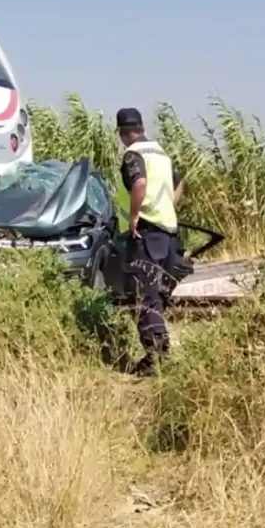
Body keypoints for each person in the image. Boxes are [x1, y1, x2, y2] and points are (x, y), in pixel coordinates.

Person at [113, 107, 184, 376]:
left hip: (144, 231)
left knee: (144, 294)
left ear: (122, 133)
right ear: (141, 128)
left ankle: (158, 358)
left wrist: (133, 217)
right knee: (156, 295)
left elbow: (140, 183)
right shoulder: (160, 154)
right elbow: (180, 185)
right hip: (167, 232)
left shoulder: (134, 154)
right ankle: (157, 356)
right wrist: (167, 206)